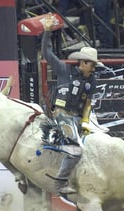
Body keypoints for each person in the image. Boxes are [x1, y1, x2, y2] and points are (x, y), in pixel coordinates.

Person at [41, 13, 98, 194]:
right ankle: (60, 182)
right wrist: (47, 32)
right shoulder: (64, 70)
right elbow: (46, 54)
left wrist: (85, 122)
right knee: (76, 151)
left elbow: (88, 103)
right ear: (83, 63)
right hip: (61, 114)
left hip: (75, 119)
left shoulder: (91, 80)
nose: (94, 68)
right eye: (92, 65)